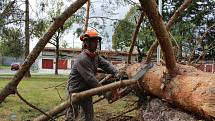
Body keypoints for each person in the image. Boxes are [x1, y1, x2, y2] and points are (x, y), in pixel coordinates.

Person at [65, 29, 120, 121]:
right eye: (94, 41)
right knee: (71, 116)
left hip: (87, 90)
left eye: (97, 41)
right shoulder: (82, 59)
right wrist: (105, 92)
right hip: (75, 90)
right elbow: (90, 79)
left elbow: (106, 65)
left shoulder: (95, 56)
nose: (96, 43)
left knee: (88, 116)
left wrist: (117, 72)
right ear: (86, 43)